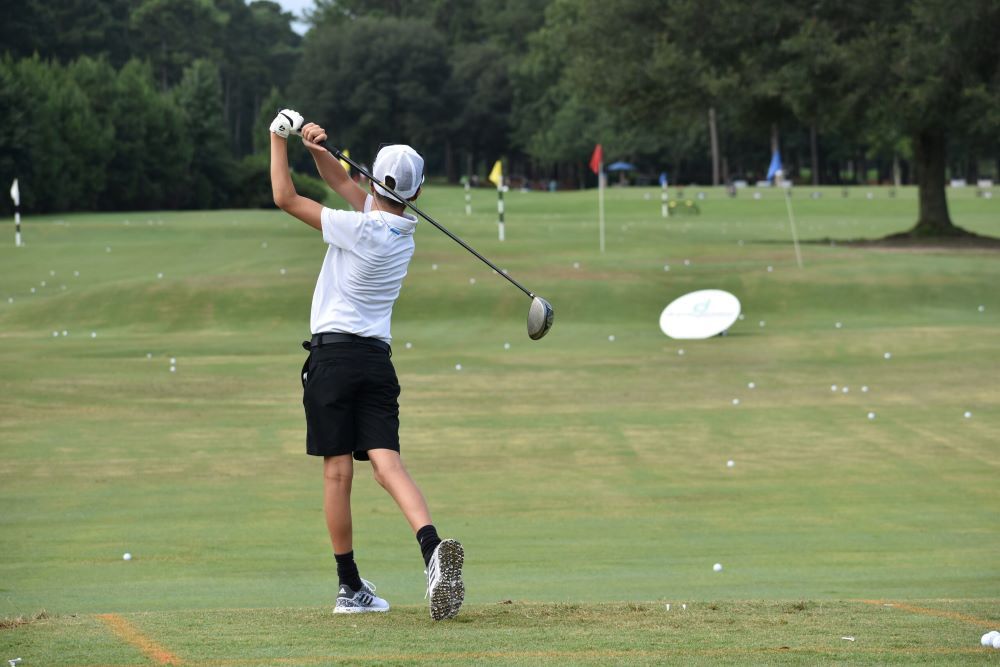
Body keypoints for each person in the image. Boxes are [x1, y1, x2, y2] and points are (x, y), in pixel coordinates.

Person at [267, 109, 465, 620]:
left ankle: (349, 585)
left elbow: (286, 199)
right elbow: (345, 185)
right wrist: (315, 148)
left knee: (337, 474)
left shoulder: (357, 229)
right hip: (377, 362)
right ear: (416, 194)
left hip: (333, 359)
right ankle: (431, 550)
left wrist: (278, 139)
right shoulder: (404, 230)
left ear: (373, 178)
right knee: (387, 463)